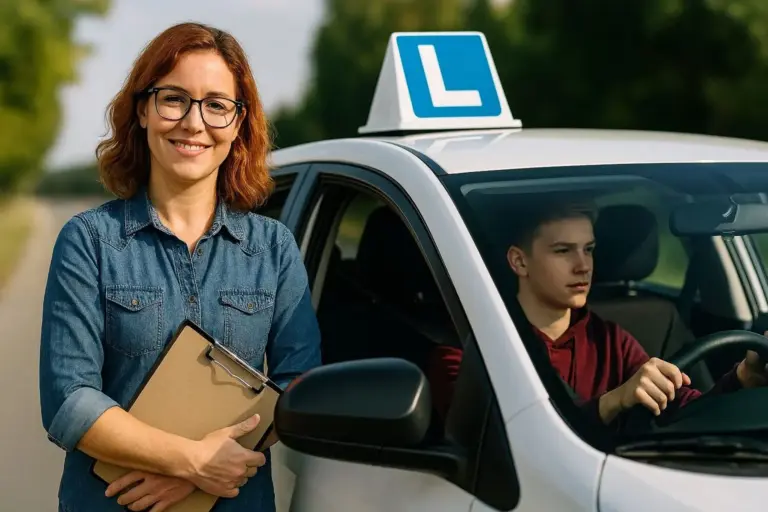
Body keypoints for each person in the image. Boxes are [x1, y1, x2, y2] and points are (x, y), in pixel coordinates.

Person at [38, 22, 321, 512]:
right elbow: (70, 400)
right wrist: (190, 462)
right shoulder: (88, 241)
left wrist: (204, 473)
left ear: (238, 122)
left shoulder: (274, 248)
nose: (193, 123)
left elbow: (299, 385)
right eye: (173, 99)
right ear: (143, 110)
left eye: (216, 105)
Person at [426, 202, 768, 428]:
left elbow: (685, 413)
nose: (583, 265)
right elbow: (500, 448)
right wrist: (613, 402)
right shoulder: (468, 354)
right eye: (563, 251)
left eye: (588, 249)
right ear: (519, 261)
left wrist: (743, 377)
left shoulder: (608, 339)